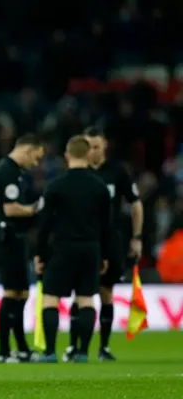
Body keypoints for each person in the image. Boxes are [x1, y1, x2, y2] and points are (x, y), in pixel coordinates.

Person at [63, 127, 143, 362]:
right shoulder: (79, 173)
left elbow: (135, 203)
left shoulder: (117, 172)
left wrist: (136, 237)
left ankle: (104, 347)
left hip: (110, 240)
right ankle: (73, 346)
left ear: (105, 146)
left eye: (96, 147)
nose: (91, 152)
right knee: (81, 293)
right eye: (88, 147)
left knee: (106, 292)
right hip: (83, 239)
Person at [34, 135, 113, 363]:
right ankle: (82, 353)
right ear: (89, 154)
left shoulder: (56, 187)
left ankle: (49, 352)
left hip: (62, 247)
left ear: (67, 156)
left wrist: (40, 253)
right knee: (86, 299)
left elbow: (44, 225)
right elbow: (107, 226)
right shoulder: (100, 187)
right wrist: (105, 254)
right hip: (90, 247)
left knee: (51, 298)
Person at [0, 134, 45, 363]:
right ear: (27, 150)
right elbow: (11, 209)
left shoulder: (15, 172)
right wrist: (36, 208)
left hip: (16, 237)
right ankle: (3, 351)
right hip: (8, 237)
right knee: (12, 293)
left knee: (21, 293)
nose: (36, 163)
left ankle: (21, 348)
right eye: (36, 157)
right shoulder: (6, 172)